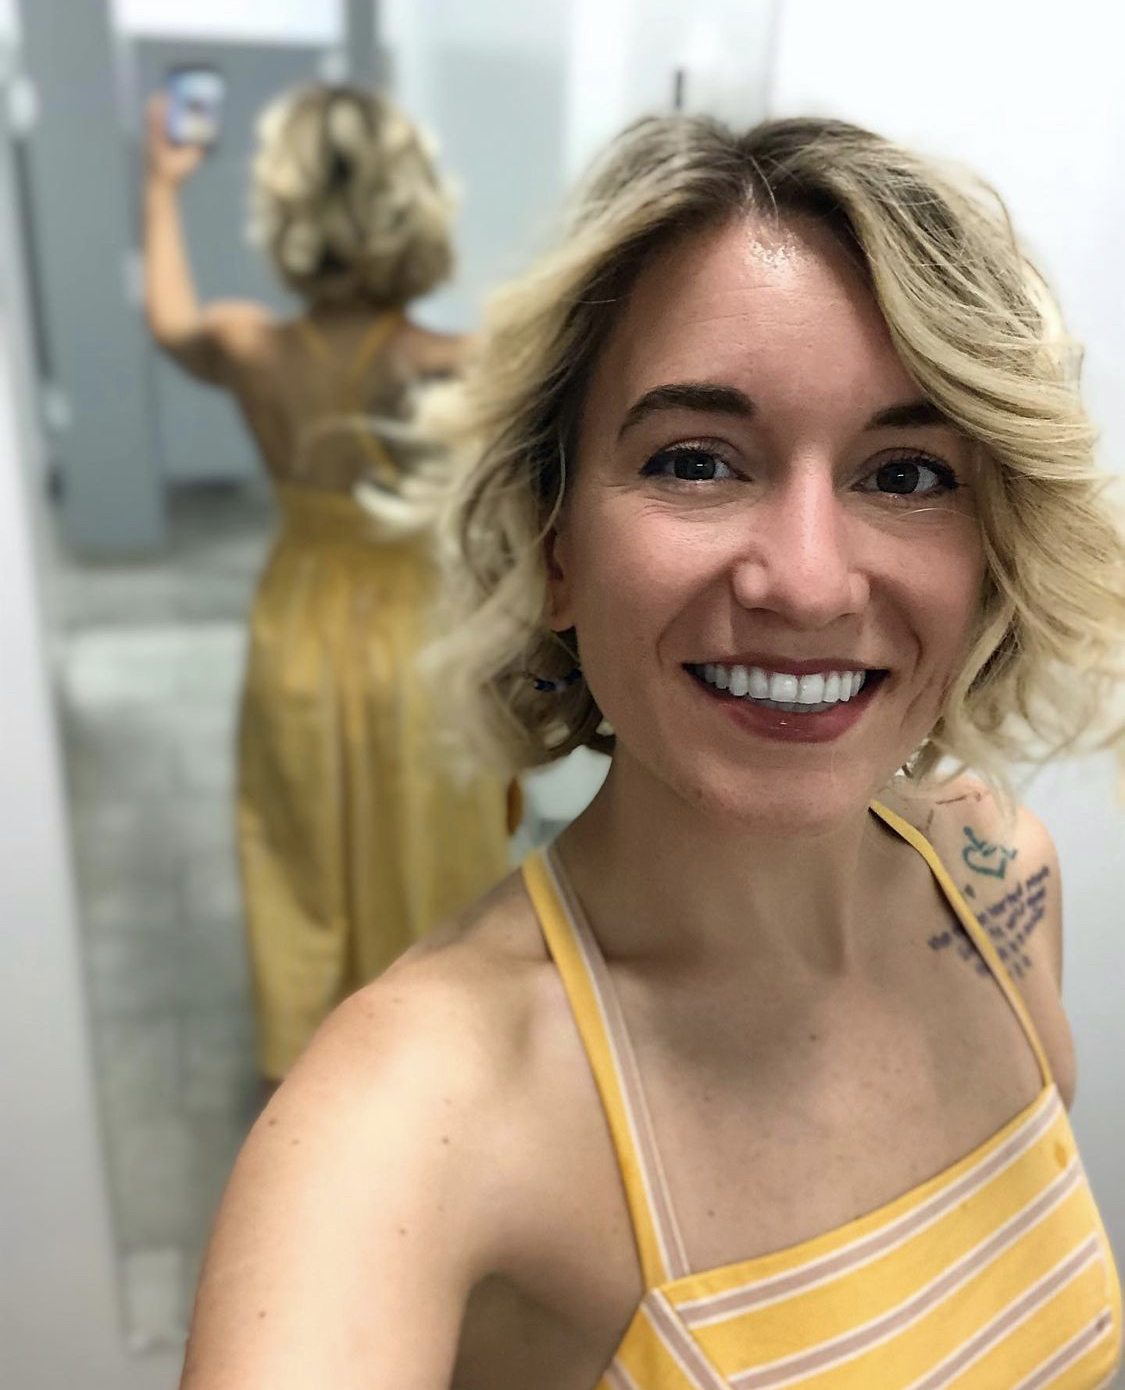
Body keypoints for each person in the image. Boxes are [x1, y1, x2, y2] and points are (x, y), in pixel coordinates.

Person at [177, 114, 1125, 1389]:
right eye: (695, 461)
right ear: (556, 544)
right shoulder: (410, 1115)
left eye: (906, 475)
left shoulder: (1005, 879)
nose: (807, 582)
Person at [143, 83, 513, 1082]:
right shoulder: (449, 363)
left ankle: (315, 1060)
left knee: (302, 841)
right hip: (415, 633)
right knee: (426, 835)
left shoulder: (247, 346)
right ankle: (431, 1049)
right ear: (415, 205)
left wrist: (161, 184)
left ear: (286, 212)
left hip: (297, 624)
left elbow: (168, 319)